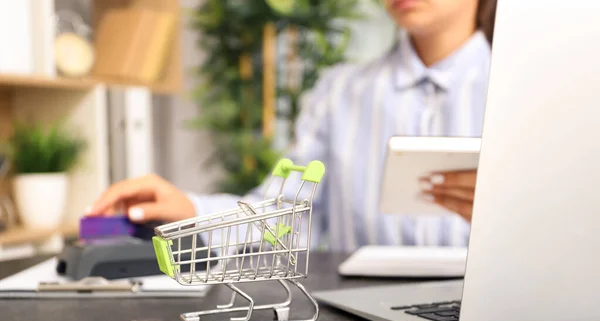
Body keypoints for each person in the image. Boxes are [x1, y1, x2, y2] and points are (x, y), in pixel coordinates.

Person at [89, 0, 497, 252]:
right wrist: (193, 211)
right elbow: (289, 215)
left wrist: (514, 218)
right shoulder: (338, 92)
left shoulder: (528, 90)